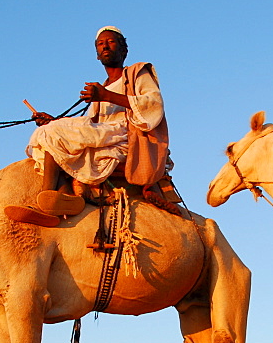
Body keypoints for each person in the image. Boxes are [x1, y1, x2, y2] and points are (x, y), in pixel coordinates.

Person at [24, 26, 169, 218]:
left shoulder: (137, 73)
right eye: (100, 44)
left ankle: (45, 200)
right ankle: (64, 195)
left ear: (124, 49)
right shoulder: (102, 87)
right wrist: (54, 121)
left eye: (110, 42)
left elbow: (153, 105)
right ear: (97, 55)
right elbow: (91, 124)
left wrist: (106, 95)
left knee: (53, 133)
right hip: (106, 136)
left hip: (128, 136)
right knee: (45, 137)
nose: (105, 46)